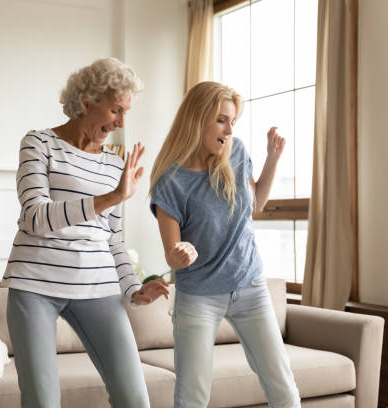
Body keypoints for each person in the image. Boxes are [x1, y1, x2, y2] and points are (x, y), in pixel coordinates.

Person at [2, 57, 169, 408]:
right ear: (87, 101)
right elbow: (34, 216)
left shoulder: (115, 163)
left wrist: (134, 291)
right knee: (42, 401)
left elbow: (113, 238)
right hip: (36, 284)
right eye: (115, 110)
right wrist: (111, 197)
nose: (122, 122)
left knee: (135, 398)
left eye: (126, 112)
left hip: (99, 286)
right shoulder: (38, 142)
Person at [149, 81, 301, 408]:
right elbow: (172, 254)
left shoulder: (237, 152)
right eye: (221, 120)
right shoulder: (170, 180)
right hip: (199, 296)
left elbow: (256, 202)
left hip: (250, 285)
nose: (229, 129)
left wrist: (273, 158)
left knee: (283, 387)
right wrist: (180, 253)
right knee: (192, 397)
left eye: (232, 121)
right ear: (197, 118)